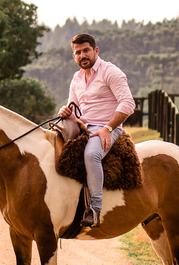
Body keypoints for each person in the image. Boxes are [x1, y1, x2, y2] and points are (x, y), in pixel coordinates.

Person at [57, 33, 135, 229]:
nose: (82, 55)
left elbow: (128, 104)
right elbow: (73, 108)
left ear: (95, 51)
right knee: (51, 142)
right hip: (82, 126)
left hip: (106, 127)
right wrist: (65, 111)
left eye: (86, 51)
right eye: (77, 52)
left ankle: (95, 209)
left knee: (91, 154)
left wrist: (108, 128)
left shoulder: (110, 71)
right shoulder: (76, 78)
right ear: (73, 56)